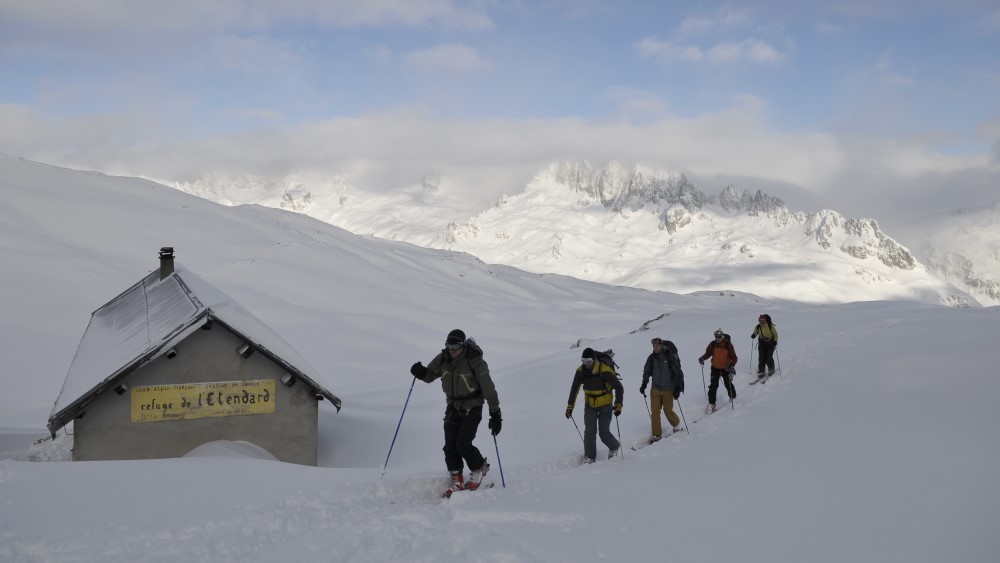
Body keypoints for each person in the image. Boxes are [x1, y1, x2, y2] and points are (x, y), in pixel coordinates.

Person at [410, 329, 501, 497]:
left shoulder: (474, 361)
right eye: (449, 346)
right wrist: (421, 372)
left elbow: (489, 389)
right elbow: (430, 375)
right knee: (449, 446)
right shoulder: (444, 358)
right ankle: (456, 478)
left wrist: (495, 414)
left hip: (473, 405)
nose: (452, 350)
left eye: (456, 346)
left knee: (463, 444)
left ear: (463, 345)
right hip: (453, 405)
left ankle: (479, 466)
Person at [565, 347, 624, 464]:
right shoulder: (580, 371)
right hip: (590, 404)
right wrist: (570, 406)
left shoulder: (604, 370)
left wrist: (618, 405)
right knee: (589, 432)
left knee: (603, 433)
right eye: (584, 361)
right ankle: (590, 457)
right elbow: (574, 388)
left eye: (589, 362)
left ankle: (614, 446)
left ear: (594, 360)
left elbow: (619, 387)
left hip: (605, 404)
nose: (586, 364)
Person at [640, 337, 684, 442]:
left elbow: (678, 373)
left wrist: (678, 388)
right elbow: (646, 372)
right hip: (655, 388)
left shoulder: (669, 356)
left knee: (667, 410)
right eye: (654, 346)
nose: (655, 348)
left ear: (661, 345)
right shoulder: (651, 358)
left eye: (657, 346)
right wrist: (644, 384)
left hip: (668, 389)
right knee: (655, 412)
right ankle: (656, 435)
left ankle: (676, 424)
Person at [698, 329, 738, 413]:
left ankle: (733, 397)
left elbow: (734, 357)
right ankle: (712, 404)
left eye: (719, 336)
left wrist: (731, 365)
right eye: (716, 336)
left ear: (722, 336)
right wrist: (703, 358)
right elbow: (708, 353)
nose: (717, 338)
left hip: (725, 368)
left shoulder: (728, 345)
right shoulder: (713, 344)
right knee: (713, 386)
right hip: (715, 367)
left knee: (728, 383)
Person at [751, 314, 778, 380]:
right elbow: (755, 332)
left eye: (763, 320)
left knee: (769, 357)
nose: (761, 322)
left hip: (770, 343)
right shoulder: (758, 327)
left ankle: (771, 369)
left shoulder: (770, 326)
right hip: (761, 343)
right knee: (761, 358)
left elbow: (775, 334)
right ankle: (761, 371)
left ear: (766, 320)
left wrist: (775, 341)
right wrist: (753, 335)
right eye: (760, 320)